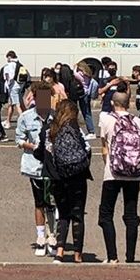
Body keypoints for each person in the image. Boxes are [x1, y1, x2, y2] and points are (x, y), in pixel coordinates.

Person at [97, 92, 140, 263]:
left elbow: (104, 147)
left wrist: (108, 163)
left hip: (113, 173)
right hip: (135, 173)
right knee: (131, 215)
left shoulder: (107, 120)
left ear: (112, 102)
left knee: (105, 214)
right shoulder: (138, 121)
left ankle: (112, 257)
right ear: (129, 104)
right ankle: (130, 258)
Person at [47, 99, 93, 263]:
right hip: (77, 175)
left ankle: (59, 252)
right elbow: (87, 149)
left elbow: (45, 152)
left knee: (63, 214)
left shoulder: (52, 129)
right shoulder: (75, 128)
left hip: (59, 177)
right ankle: (77, 254)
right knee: (78, 215)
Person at [16, 82, 58, 257]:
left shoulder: (55, 117)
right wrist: (33, 146)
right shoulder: (26, 117)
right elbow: (19, 139)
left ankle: (53, 236)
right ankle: (41, 236)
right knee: (39, 202)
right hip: (34, 165)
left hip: (53, 167)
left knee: (53, 203)